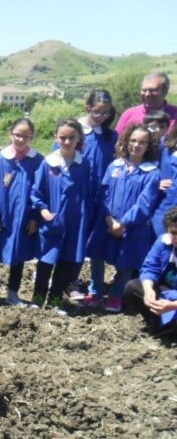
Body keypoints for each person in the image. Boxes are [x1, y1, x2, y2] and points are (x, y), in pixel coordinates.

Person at [84, 124, 160, 312]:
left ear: (149, 146)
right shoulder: (114, 166)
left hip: (132, 227)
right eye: (133, 140)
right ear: (126, 142)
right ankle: (96, 292)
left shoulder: (152, 173)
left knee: (126, 262)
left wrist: (124, 223)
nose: (137, 145)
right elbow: (103, 194)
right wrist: (109, 219)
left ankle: (116, 295)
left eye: (142, 142)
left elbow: (145, 203)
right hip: (107, 223)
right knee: (96, 255)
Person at [30, 119, 91, 311]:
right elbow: (36, 191)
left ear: (78, 138)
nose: (66, 142)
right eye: (62, 138)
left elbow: (90, 193)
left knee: (65, 264)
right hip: (52, 223)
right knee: (45, 263)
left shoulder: (84, 164)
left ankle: (55, 301)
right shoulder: (48, 163)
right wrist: (44, 210)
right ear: (56, 137)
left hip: (74, 223)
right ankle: (38, 299)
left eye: (71, 138)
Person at [65, 89, 118, 301]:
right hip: (78, 196)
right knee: (74, 239)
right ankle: (69, 281)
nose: (101, 117)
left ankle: (97, 286)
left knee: (97, 241)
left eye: (105, 113)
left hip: (102, 197)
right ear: (88, 108)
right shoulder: (75, 132)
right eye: (97, 112)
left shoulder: (111, 136)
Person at [0, 118, 44, 306]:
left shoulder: (37, 161)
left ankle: (12, 293)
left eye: (25, 136)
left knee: (19, 255)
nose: (20, 139)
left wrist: (35, 218)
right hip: (2, 216)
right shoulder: (0, 159)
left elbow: (39, 191)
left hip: (23, 217)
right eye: (17, 135)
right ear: (10, 134)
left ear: (31, 137)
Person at [124, 206, 177, 335]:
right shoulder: (163, 242)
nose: (176, 238)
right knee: (133, 287)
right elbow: (150, 268)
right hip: (166, 292)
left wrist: (173, 305)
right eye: (174, 233)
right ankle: (155, 322)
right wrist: (148, 291)